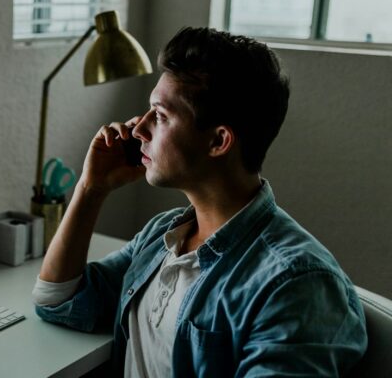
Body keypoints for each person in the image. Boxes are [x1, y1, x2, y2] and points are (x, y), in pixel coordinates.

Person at [32, 27, 367, 377]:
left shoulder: (296, 285)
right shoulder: (164, 236)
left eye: (160, 116)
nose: (137, 129)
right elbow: (59, 302)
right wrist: (91, 188)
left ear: (219, 141)